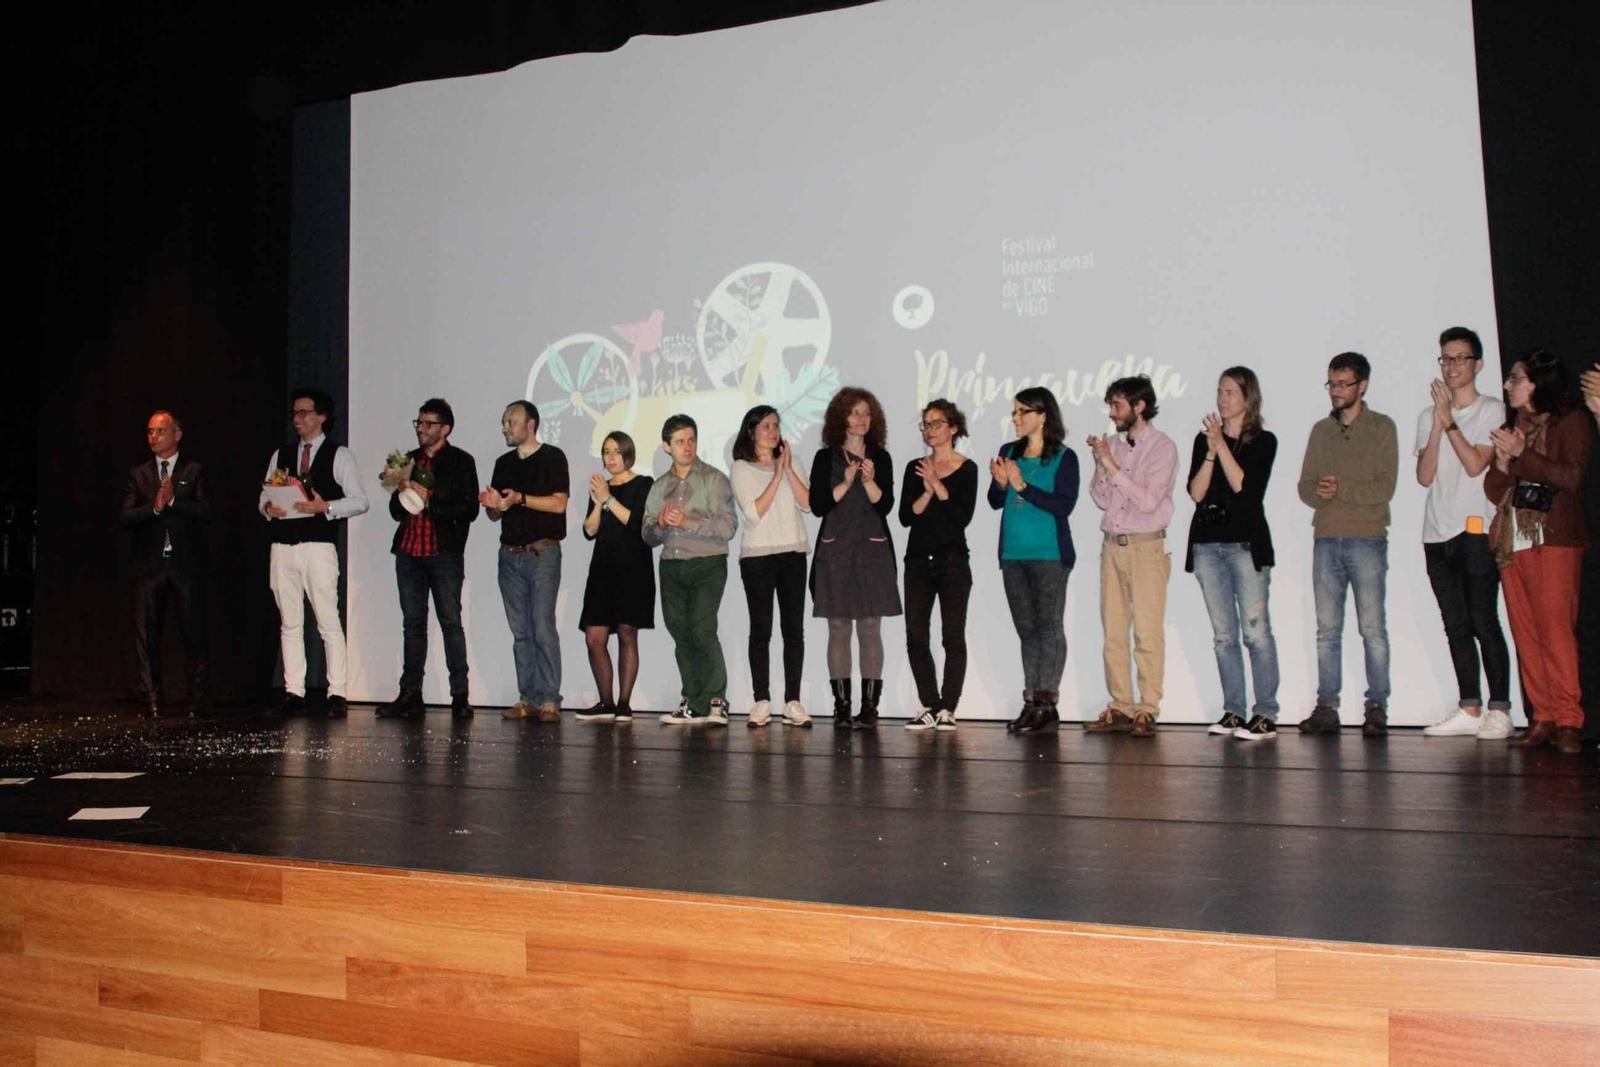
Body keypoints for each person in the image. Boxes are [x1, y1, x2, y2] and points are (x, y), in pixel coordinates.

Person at [1486, 352, 1591, 754]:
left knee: (1555, 629)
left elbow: (1571, 478)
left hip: (1555, 537)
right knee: (1525, 630)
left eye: (1516, 378)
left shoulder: (1571, 421)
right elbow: (1494, 490)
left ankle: (1568, 721)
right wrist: (1502, 463)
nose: (1508, 385)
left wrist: (1521, 454)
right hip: (1515, 539)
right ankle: (1542, 716)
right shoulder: (1511, 427)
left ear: (1538, 383)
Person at [1414, 327, 1512, 739]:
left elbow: (1475, 465)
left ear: (1478, 364)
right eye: (1446, 358)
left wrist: (1450, 422)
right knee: (1454, 624)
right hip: (1436, 533)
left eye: (1460, 358)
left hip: (1474, 530)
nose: (1451, 366)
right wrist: (1437, 425)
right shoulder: (1429, 415)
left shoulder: (1491, 410)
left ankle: (1500, 709)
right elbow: (1424, 476)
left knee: (1483, 620)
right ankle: (1469, 705)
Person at [1295, 353, 1399, 737]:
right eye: (1332, 384)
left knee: (1372, 628)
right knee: (1327, 630)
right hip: (1326, 538)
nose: (1336, 391)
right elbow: (1304, 486)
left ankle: (1377, 706)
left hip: (1367, 538)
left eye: (1343, 384)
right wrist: (1320, 494)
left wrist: (1342, 489)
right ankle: (1327, 706)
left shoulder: (1382, 427)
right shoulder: (1321, 430)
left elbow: (1385, 487)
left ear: (1362, 385)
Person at [258, 388, 369, 717]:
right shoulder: (281, 454)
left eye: (304, 412)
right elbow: (264, 497)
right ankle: (294, 691)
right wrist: (268, 508)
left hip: (318, 547)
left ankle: (337, 692)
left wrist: (327, 507)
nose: (298, 419)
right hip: (283, 547)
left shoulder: (339, 455)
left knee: (327, 621)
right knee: (290, 623)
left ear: (322, 416)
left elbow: (360, 501)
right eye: (295, 413)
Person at [1184, 368, 1280, 740]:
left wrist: (1222, 446)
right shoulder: (1204, 440)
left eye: (1230, 392)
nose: (1222, 399)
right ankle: (1234, 711)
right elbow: (1195, 493)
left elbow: (1245, 488)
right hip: (1207, 545)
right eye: (1219, 391)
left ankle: (1266, 712)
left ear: (1247, 397)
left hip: (1245, 545)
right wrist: (1210, 451)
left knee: (1256, 633)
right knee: (1224, 635)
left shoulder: (1264, 441)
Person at [1085, 376, 1177, 737]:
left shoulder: (1163, 448)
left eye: (1117, 405)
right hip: (1112, 544)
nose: (1112, 413)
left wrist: (1113, 467)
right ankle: (1121, 704)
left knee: (1147, 631)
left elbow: (1148, 500)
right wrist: (1100, 465)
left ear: (1140, 406)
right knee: (1113, 630)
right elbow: (1101, 499)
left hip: (1146, 546)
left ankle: (1147, 708)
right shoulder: (1114, 446)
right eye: (1111, 405)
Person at [376, 397, 479, 720]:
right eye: (418, 422)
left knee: (451, 623)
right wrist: (401, 491)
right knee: (413, 625)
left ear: (445, 428)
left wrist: (429, 502)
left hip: (443, 553)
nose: (421, 428)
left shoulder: (461, 461)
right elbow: (395, 512)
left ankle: (459, 696)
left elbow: (469, 509)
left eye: (428, 423)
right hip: (409, 551)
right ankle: (410, 694)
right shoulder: (407, 460)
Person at [986, 389, 1079, 734]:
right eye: (1014, 412)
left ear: (1043, 416)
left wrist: (1021, 485)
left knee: (1048, 627)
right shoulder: (1008, 452)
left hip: (1049, 555)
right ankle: (1031, 703)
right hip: (1013, 554)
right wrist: (1001, 485)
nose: (1015, 418)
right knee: (1027, 630)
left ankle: (1047, 703)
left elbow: (1063, 506)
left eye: (1022, 412)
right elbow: (995, 501)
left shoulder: (1064, 457)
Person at [810, 387, 900, 729]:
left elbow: (885, 505)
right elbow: (819, 505)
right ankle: (842, 706)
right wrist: (847, 482)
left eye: (866, 413)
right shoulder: (825, 458)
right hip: (835, 549)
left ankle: (869, 708)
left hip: (872, 550)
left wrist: (870, 481)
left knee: (871, 626)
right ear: (841, 418)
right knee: (838, 627)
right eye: (855, 412)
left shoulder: (881, 457)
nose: (862, 419)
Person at [642, 415, 738, 725]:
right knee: (680, 632)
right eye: (680, 441)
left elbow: (728, 527)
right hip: (671, 565)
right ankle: (693, 702)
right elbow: (647, 536)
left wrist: (687, 521)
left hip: (707, 563)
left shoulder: (714, 479)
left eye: (691, 440)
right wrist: (660, 524)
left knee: (702, 629)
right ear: (666, 446)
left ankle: (716, 701)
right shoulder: (659, 486)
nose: (687, 447)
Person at [479, 400, 568, 723]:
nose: (505, 427)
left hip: (542, 554)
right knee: (521, 632)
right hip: (509, 555)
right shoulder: (503, 463)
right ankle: (527, 698)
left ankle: (550, 699)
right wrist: (493, 505)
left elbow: (559, 504)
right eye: (504, 422)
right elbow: (495, 514)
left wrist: (520, 499)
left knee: (542, 627)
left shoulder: (553, 457)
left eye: (511, 422)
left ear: (530, 424)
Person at [121, 410, 212, 717]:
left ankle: (197, 698)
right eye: (150, 431)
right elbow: (125, 516)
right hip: (150, 567)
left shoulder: (194, 471)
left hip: (185, 566)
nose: (154, 437)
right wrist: (156, 508)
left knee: (193, 633)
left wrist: (174, 502)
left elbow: (206, 512)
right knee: (146, 636)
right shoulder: (139, 474)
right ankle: (151, 698)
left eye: (160, 431)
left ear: (177, 434)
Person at [731, 405, 813, 728]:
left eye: (776, 425)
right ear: (751, 431)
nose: (772, 431)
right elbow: (753, 513)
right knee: (761, 630)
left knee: (793, 630)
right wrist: (776, 474)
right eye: (765, 426)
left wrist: (787, 469)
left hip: (793, 552)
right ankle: (761, 699)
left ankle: (792, 701)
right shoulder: (741, 468)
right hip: (758, 557)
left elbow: (807, 504)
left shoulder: (794, 462)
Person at [902, 399, 979, 731]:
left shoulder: (968, 469)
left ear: (953, 428)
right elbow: (906, 516)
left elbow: (961, 517)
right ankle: (929, 704)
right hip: (918, 562)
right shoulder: (915, 467)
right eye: (926, 424)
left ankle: (948, 707)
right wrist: (927, 490)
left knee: (952, 637)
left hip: (952, 562)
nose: (930, 430)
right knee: (916, 635)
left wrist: (937, 484)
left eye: (936, 423)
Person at [575, 431, 655, 723]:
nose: (610, 458)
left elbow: (637, 523)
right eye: (606, 452)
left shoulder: (644, 484)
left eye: (616, 452)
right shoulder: (601, 488)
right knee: (594, 638)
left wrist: (607, 499)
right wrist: (598, 502)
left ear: (628, 454)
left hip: (633, 568)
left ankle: (624, 704)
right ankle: (606, 701)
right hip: (602, 569)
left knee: (626, 634)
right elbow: (589, 531)